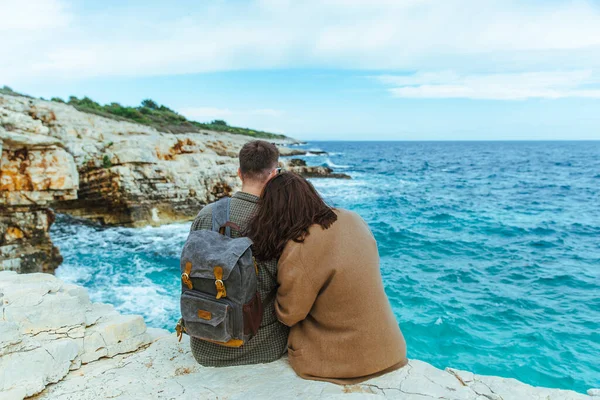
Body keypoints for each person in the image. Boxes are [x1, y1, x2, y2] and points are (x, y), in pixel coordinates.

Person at [246, 172, 408, 384]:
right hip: (391, 352)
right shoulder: (353, 218)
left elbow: (289, 314)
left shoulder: (300, 246)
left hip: (342, 365)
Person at [189, 140, 289, 366]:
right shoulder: (278, 222)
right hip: (263, 345)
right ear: (274, 175)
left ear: (239, 173)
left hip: (206, 343)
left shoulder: (206, 214)